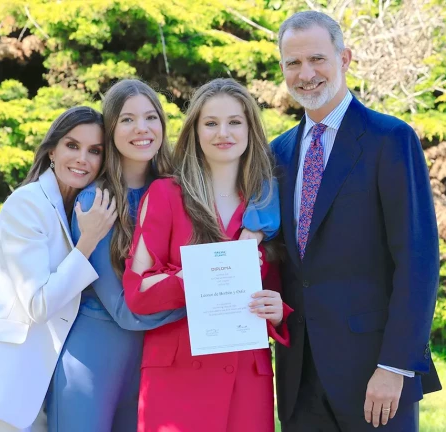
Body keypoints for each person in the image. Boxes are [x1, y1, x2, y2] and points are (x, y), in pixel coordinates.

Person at [47, 79, 281, 432]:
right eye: (126, 120)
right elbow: (128, 306)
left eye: (150, 117)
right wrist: (213, 283)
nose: (141, 129)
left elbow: (278, 278)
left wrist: (270, 304)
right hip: (107, 351)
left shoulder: (195, 187)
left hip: (196, 361)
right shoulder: (106, 202)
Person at [271, 11, 442, 432]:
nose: (305, 74)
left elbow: (418, 262)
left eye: (317, 59)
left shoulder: (390, 139)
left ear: (344, 58)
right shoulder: (277, 153)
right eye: (293, 63)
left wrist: (396, 366)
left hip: (374, 375)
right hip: (299, 379)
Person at [122, 78, 292, 432]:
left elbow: (280, 289)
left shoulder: (268, 204)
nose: (222, 133)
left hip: (247, 377)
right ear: (195, 131)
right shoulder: (165, 194)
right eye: (211, 123)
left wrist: (277, 312)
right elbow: (137, 293)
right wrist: (200, 276)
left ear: (250, 130)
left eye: (234, 122)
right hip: (177, 377)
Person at [0, 107, 117, 431]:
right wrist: (88, 241)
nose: (82, 158)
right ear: (52, 151)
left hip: (43, 393)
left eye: (94, 151)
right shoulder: (26, 205)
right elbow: (37, 304)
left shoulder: (80, 207)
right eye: (72, 145)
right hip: (3, 392)